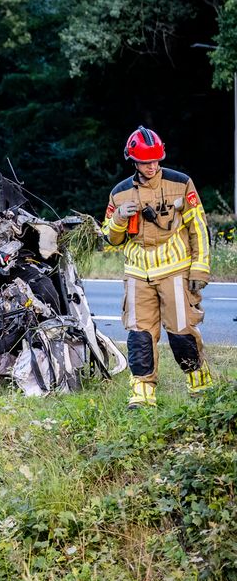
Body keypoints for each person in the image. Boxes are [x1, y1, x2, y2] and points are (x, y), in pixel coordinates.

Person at [102, 126, 213, 409]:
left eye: (155, 160)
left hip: (175, 269)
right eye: (145, 161)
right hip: (137, 274)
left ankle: (199, 382)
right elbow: (110, 239)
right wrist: (118, 221)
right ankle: (142, 391)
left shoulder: (181, 183)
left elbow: (198, 227)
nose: (151, 166)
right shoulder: (119, 194)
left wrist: (200, 269)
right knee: (139, 334)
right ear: (133, 161)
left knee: (181, 330)